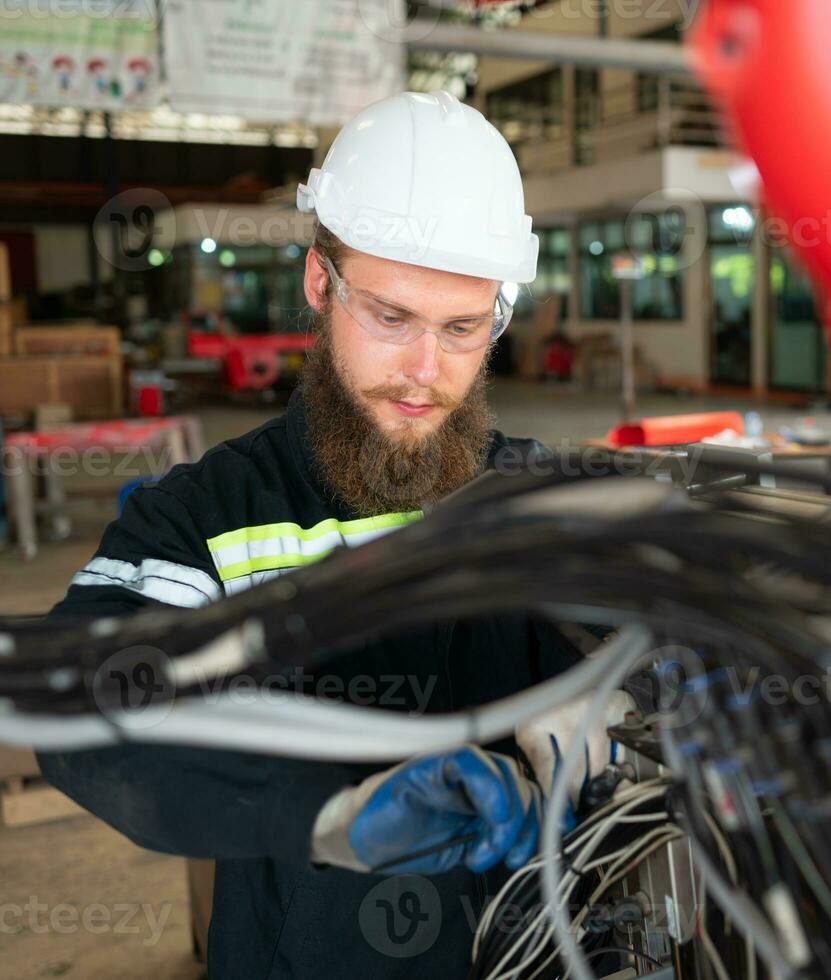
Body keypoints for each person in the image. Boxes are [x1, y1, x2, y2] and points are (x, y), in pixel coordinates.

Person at [37, 91, 593, 979]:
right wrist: (331, 810)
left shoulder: (547, 501)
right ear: (317, 284)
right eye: (390, 318)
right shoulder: (209, 517)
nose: (424, 372)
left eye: (461, 329)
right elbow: (81, 706)